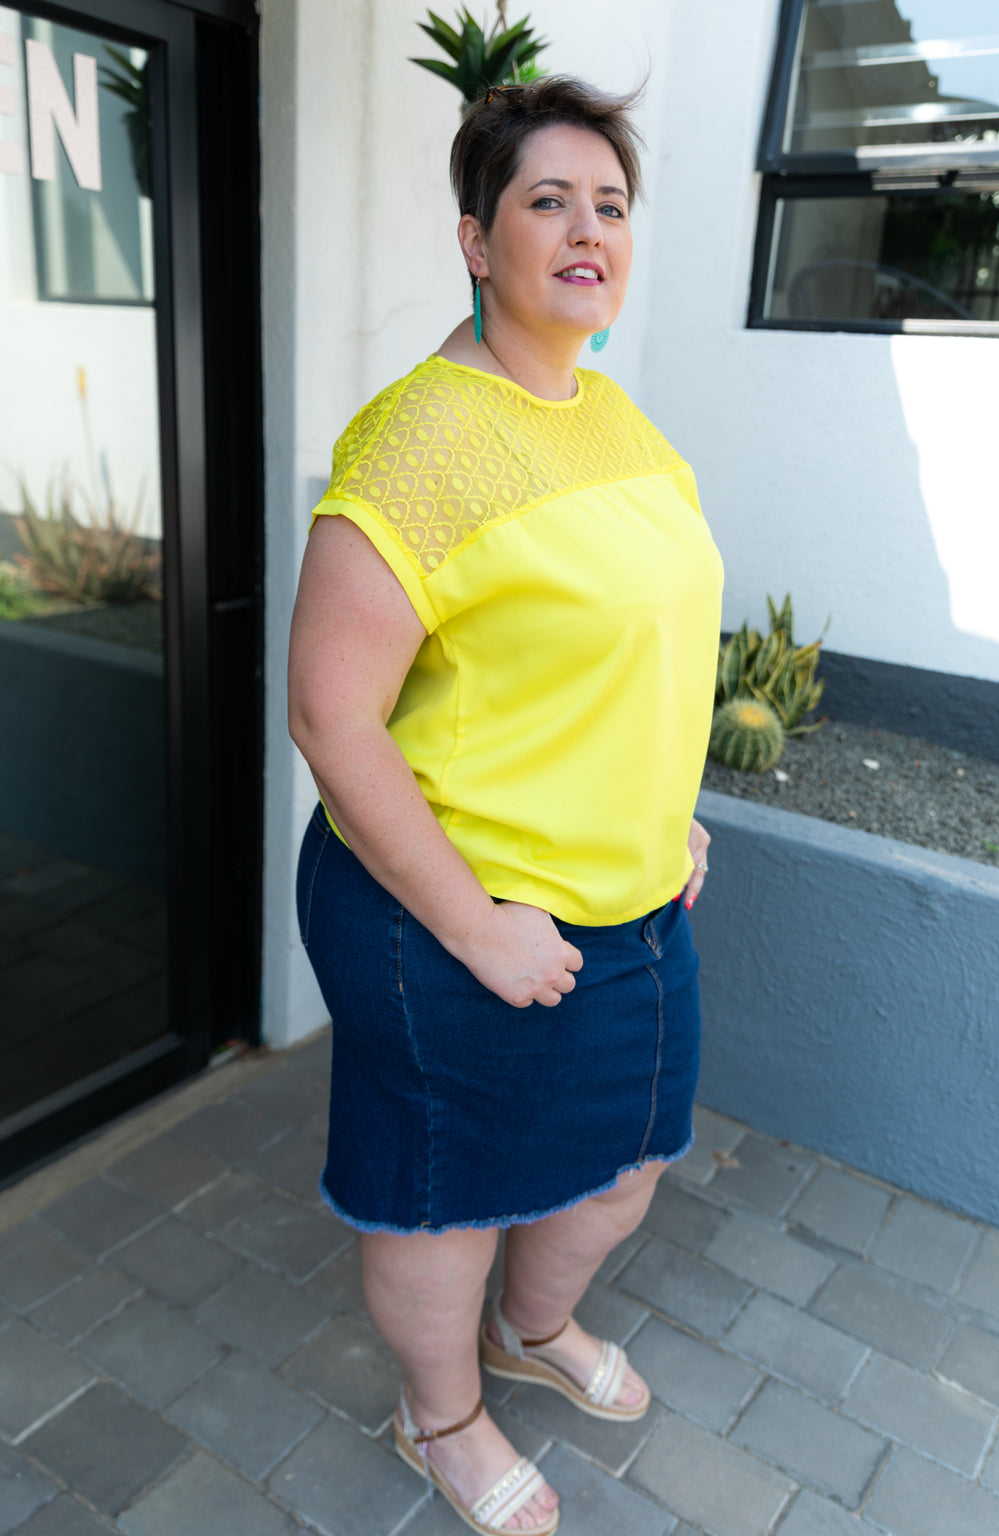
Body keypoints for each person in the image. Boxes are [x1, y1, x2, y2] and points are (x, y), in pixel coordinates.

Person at [288, 76, 723, 1535]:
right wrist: (474, 926)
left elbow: (635, 649)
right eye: (549, 201)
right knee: (448, 1199)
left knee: (628, 1164)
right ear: (478, 240)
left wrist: (667, 808)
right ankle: (442, 1415)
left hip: (631, 893)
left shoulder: (612, 416)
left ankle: (532, 1334)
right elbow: (331, 716)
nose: (589, 229)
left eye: (611, 204)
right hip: (447, 908)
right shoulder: (419, 441)